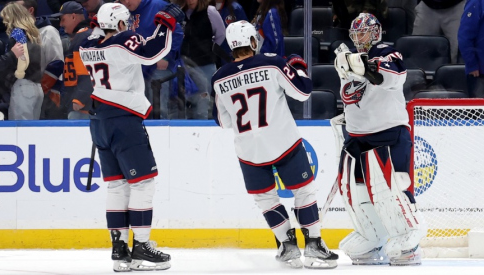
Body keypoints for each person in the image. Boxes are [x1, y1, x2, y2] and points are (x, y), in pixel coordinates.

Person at [212, 20, 338, 269]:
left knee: (266, 198)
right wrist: (298, 66)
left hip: (249, 151)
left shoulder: (218, 78)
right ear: (251, 41)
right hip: (284, 144)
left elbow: (223, 121)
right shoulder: (272, 62)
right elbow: (302, 92)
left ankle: (287, 246)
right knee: (303, 191)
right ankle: (313, 246)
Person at [79, 2, 183, 272]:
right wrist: (165, 22)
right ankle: (142, 248)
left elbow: (95, 33)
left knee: (117, 186)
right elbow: (152, 53)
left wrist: (101, 25)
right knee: (143, 183)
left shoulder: (87, 47)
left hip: (99, 121)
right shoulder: (123, 40)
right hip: (124, 119)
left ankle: (119, 249)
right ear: (123, 24)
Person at [333, 13, 427, 265]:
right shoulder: (346, 60)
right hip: (356, 139)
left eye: (363, 32)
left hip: (388, 134)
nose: (358, 38)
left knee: (394, 188)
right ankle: (371, 235)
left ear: (375, 33)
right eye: (355, 34)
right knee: (355, 192)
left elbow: (392, 74)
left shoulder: (387, 51)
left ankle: (410, 238)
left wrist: (366, 66)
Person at [119, 0, 184, 119]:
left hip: (157, 67)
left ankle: (162, 131)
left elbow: (177, 33)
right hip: (136, 68)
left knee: (159, 106)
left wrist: (165, 56)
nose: (126, 2)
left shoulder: (158, 6)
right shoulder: (121, 12)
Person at [174, 0, 225, 119]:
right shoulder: (180, 13)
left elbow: (221, 34)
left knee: (204, 104)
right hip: (185, 66)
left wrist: (210, 49)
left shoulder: (210, 11)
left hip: (205, 64)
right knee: (185, 103)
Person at [17, 0, 65, 119]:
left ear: (30, 10)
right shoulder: (18, 34)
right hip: (22, 96)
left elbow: (56, 65)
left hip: (46, 96)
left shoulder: (48, 31)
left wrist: (38, 91)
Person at [0, 2, 43, 120]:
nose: (4, 22)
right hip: (36, 87)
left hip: (23, 87)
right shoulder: (33, 35)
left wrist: (18, 71)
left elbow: (22, 57)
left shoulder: (17, 33)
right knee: (31, 130)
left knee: (21, 131)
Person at [52, 1, 93, 119]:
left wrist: (79, 98)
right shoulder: (81, 35)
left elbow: (88, 71)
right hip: (79, 103)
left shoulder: (83, 36)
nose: (60, 24)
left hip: (83, 107)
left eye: (63, 19)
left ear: (73, 16)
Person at [458, 0, 484, 98]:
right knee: (478, 112)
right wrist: (472, 64)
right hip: (480, 73)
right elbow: (465, 36)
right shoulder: (477, 2)